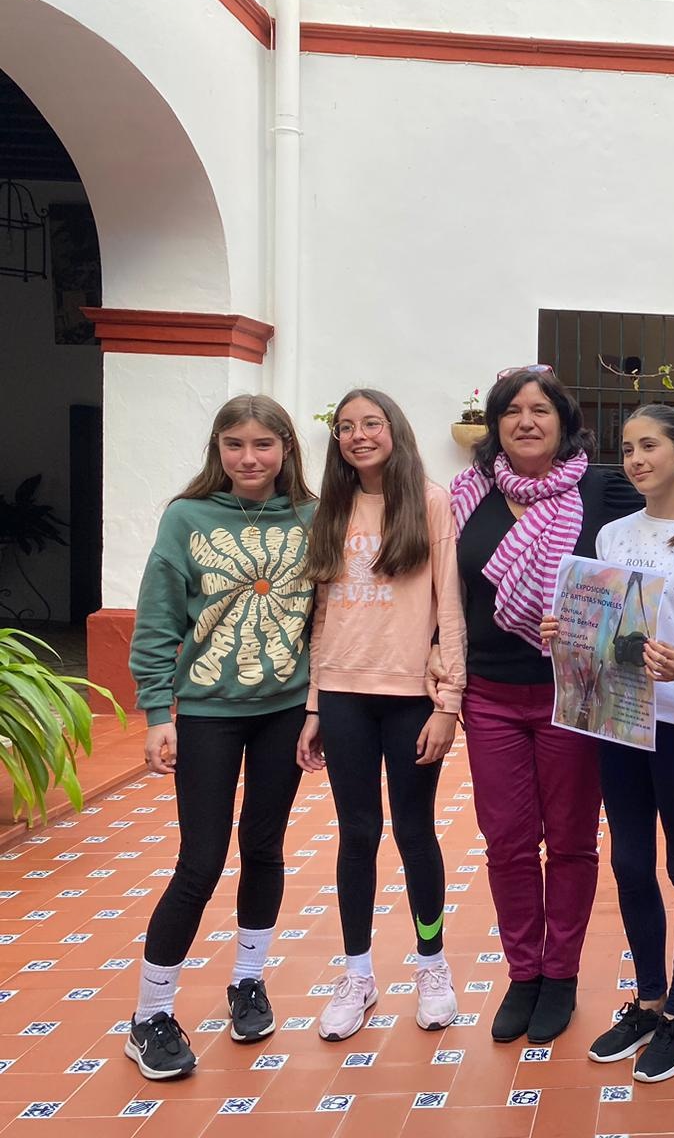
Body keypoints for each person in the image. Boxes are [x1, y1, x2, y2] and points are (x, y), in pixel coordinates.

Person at [452, 364, 674, 1046]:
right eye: (511, 409)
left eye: (540, 408)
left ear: (564, 423)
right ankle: (527, 974)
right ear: (494, 423)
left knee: (577, 840)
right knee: (514, 841)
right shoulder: (464, 495)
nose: (526, 421)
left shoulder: (599, 488)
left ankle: (575, 980)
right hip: (497, 691)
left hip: (586, 700)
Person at [539, 404, 674, 1083]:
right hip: (618, 719)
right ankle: (650, 1000)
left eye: (650, 445)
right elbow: (602, 626)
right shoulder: (612, 536)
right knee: (629, 863)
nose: (636, 459)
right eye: (627, 448)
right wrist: (564, 634)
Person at [124, 395, 317, 1080]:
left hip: (286, 711)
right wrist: (156, 714)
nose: (249, 459)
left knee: (263, 848)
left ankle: (248, 980)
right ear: (218, 450)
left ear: (286, 449)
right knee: (200, 861)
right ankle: (149, 1014)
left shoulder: (312, 516)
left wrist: (318, 708)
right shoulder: (186, 518)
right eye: (235, 445)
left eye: (264, 445)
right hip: (207, 711)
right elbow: (156, 622)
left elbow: (326, 619)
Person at [296, 389, 465, 1039]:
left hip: (411, 699)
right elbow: (323, 614)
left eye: (371, 423)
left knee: (415, 832)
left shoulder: (429, 500)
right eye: (345, 427)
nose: (358, 435)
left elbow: (448, 607)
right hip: (343, 697)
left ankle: (432, 967)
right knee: (357, 833)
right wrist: (314, 705)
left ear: (394, 429)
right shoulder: (330, 508)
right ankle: (359, 976)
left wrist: (448, 702)